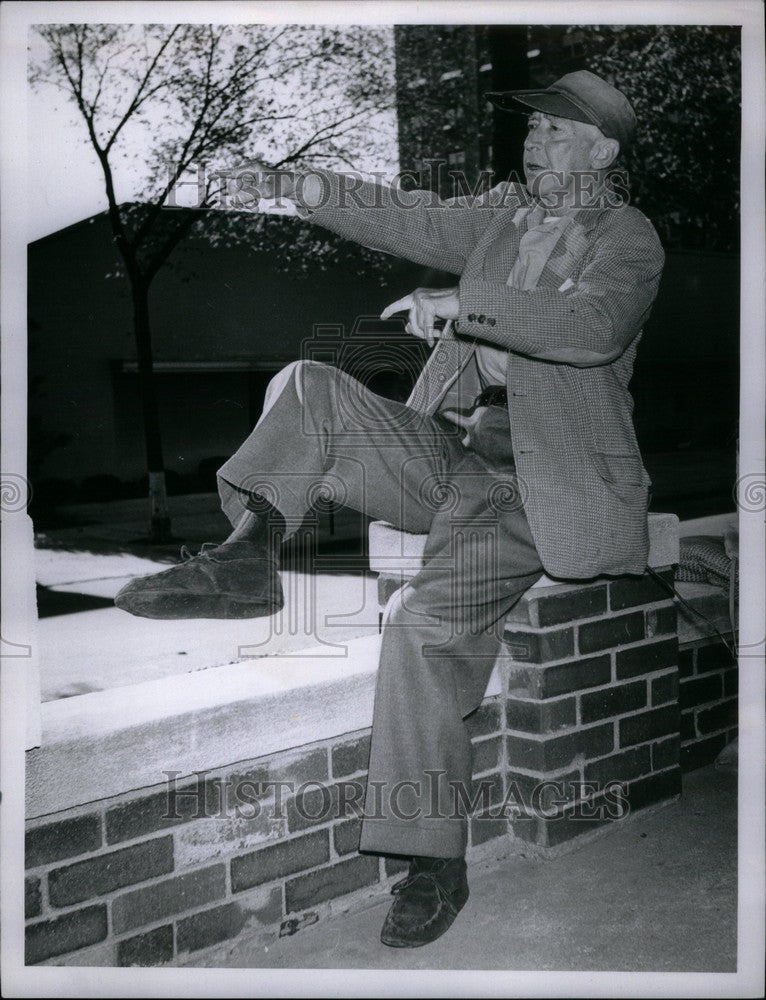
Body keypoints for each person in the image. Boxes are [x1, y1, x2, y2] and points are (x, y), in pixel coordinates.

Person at [115, 70, 665, 948]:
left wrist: (465, 305)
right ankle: (251, 553)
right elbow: (401, 214)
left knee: (420, 630)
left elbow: (591, 328)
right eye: (533, 130)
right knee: (310, 385)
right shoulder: (498, 215)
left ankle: (430, 861)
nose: (535, 143)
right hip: (451, 452)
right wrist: (298, 186)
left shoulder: (627, 239)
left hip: (538, 478)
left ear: (602, 151)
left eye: (558, 133)